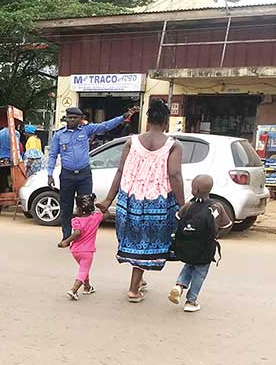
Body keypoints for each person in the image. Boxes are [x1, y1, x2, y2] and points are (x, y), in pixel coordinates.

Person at [97, 99, 185, 303]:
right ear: (166, 122)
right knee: (148, 244)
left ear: (147, 121)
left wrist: (108, 199)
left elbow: (120, 171)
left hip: (130, 202)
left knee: (137, 242)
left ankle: (140, 281)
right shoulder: (173, 145)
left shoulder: (131, 141)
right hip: (158, 203)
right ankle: (133, 289)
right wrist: (183, 204)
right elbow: (175, 175)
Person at [48, 105, 138, 241]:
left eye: (75, 118)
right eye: (69, 117)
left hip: (84, 175)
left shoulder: (87, 130)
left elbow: (105, 126)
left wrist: (123, 117)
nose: (71, 120)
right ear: (66, 118)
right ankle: (66, 236)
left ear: (80, 119)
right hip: (67, 175)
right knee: (66, 207)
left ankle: (83, 235)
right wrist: (49, 174)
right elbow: (53, 155)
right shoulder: (59, 135)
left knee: (86, 207)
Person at [167, 175, 231, 312]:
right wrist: (215, 234)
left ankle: (179, 286)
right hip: (205, 249)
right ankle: (191, 301)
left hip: (188, 247)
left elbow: (178, 217)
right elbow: (227, 225)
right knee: (200, 273)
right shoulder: (216, 207)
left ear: (194, 190)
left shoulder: (189, 205)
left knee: (189, 265)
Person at [58, 194, 110, 301]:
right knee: (83, 270)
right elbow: (107, 215)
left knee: (83, 269)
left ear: (80, 210)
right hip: (87, 251)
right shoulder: (96, 218)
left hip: (76, 251)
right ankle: (74, 290)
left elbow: (77, 232)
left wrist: (66, 241)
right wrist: (102, 207)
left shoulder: (76, 220)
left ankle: (87, 287)